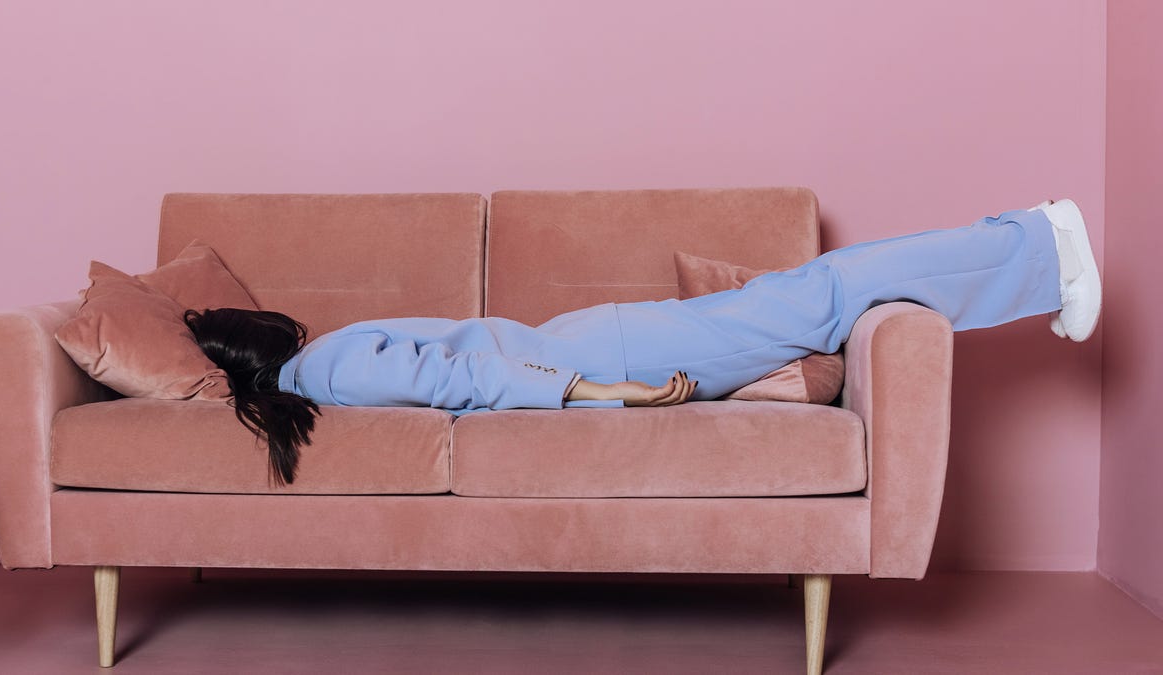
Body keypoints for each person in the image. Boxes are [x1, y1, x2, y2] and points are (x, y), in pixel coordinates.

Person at [185, 199, 1102, 485]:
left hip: (605, 348)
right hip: (602, 349)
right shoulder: (328, 361)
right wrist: (593, 390)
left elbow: (461, 374)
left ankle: (1038, 246)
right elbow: (460, 376)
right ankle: (1034, 248)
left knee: (820, 298)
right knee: (816, 299)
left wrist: (595, 389)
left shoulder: (327, 368)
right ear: (258, 340)